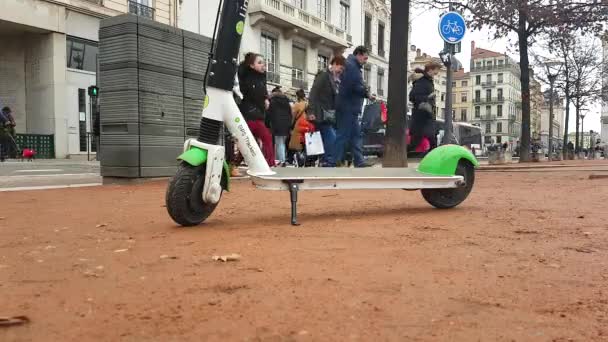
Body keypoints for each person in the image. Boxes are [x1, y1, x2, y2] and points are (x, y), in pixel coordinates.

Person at [335, 46, 371, 168]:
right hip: (348, 107)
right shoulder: (352, 67)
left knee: (355, 135)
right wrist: (366, 92)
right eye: (365, 58)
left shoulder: (351, 66)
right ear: (359, 55)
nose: (365, 61)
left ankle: (359, 160)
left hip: (350, 107)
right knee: (344, 135)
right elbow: (354, 86)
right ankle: (335, 160)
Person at [237, 52, 275, 167]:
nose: (263, 65)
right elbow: (253, 93)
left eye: (263, 62)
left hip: (256, 114)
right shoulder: (248, 78)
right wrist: (265, 100)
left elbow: (260, 93)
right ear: (251, 66)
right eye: (259, 63)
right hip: (251, 114)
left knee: (248, 141)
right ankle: (269, 163)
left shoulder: (260, 78)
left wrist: (265, 99)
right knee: (264, 138)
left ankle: (234, 163)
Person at [308, 55, 346, 167]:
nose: (341, 72)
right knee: (332, 139)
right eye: (341, 68)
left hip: (328, 117)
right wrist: (311, 111)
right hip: (320, 115)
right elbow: (313, 93)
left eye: (343, 70)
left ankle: (326, 162)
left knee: (328, 140)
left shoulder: (333, 79)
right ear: (334, 64)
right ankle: (328, 163)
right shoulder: (324, 75)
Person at [408, 63, 441, 153]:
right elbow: (412, 97)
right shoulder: (423, 81)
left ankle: (403, 153)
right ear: (430, 69)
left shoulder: (427, 81)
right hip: (423, 116)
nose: (437, 73)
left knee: (423, 139)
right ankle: (400, 154)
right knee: (427, 139)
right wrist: (428, 97)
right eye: (436, 71)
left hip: (425, 115)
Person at [267, 86, 292, 166]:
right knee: (282, 143)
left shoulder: (272, 101)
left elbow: (269, 113)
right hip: (286, 124)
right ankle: (279, 160)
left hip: (276, 124)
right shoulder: (286, 101)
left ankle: (281, 160)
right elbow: (290, 113)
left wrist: (267, 124)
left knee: (279, 143)